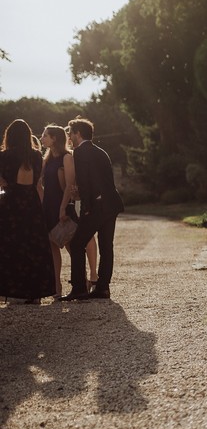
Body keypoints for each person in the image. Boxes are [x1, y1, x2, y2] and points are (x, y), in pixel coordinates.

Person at [60, 117, 125, 301]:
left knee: (77, 243)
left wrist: (85, 206)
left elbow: (86, 180)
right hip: (111, 204)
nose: (69, 137)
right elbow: (103, 181)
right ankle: (103, 288)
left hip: (97, 206)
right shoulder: (101, 152)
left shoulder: (79, 152)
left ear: (78, 134)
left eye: (71, 133)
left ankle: (79, 288)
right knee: (106, 246)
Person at [39, 125, 100, 298]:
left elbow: (69, 186)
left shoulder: (67, 157)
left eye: (45, 135)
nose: (42, 138)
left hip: (63, 207)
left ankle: (82, 282)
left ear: (54, 138)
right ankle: (56, 286)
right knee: (52, 247)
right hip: (48, 207)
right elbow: (39, 182)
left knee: (71, 246)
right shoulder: (47, 159)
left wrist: (62, 207)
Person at [0, 119, 55, 303]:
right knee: (33, 248)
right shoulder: (36, 156)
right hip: (31, 204)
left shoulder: (4, 156)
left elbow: (2, 183)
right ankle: (34, 293)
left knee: (11, 248)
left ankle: (13, 291)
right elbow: (38, 184)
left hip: (11, 205)